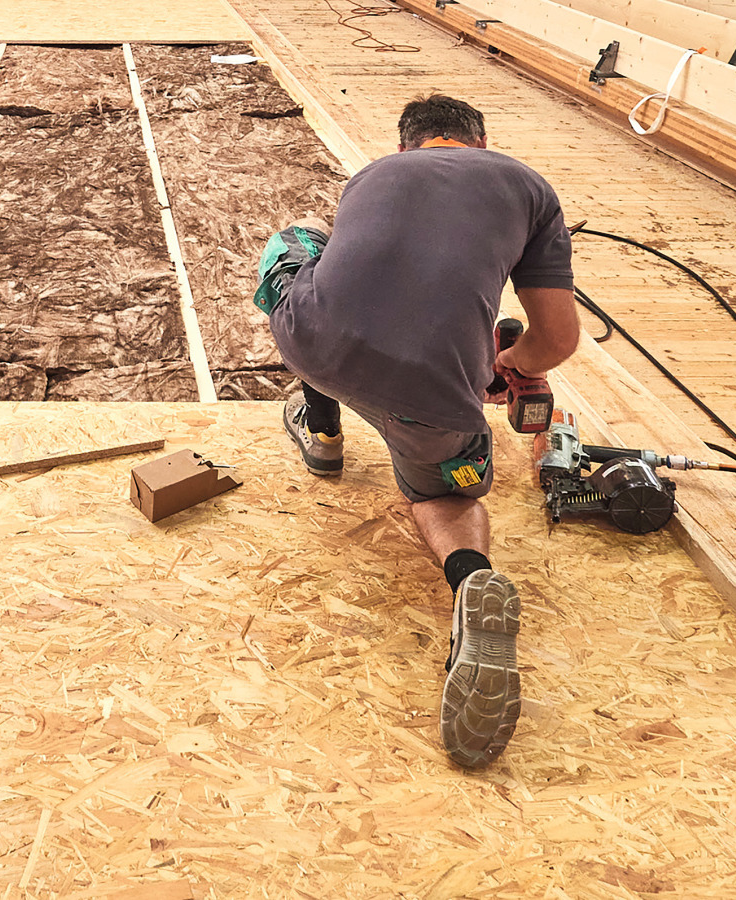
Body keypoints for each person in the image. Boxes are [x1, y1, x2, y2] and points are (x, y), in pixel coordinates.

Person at [253, 94, 579, 768]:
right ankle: (469, 581)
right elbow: (557, 340)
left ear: (408, 148)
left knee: (300, 247)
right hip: (432, 402)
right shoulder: (529, 189)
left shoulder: (374, 175)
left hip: (320, 348)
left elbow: (373, 280)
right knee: (444, 497)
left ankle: (324, 435)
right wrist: (509, 363)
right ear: (481, 141)